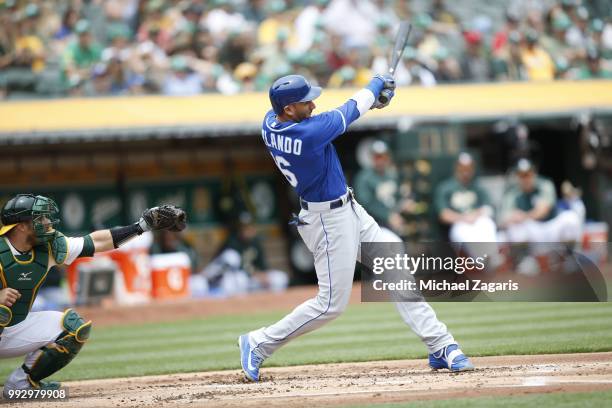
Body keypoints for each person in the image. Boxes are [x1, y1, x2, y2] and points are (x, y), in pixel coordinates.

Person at [238, 73, 474, 382]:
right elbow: (348, 111)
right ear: (289, 109)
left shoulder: (271, 122)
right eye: (305, 101)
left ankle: (441, 345)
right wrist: (376, 84)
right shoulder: (305, 134)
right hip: (327, 221)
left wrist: (373, 102)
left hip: (347, 209)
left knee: (395, 270)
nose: (313, 103)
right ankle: (258, 343)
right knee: (330, 305)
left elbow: (334, 117)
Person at [0, 194, 185, 396]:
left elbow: (96, 241)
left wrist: (141, 226)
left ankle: (20, 386)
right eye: (39, 218)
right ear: (21, 226)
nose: (47, 222)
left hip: (11, 331)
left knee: (72, 327)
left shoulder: (49, 247)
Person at [353, 140, 413, 235]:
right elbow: (366, 203)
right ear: (371, 158)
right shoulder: (364, 178)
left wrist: (403, 203)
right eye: (377, 157)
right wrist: (387, 216)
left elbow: (396, 197)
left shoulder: (391, 174)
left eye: (383, 156)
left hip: (395, 222)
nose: (380, 160)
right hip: (374, 225)